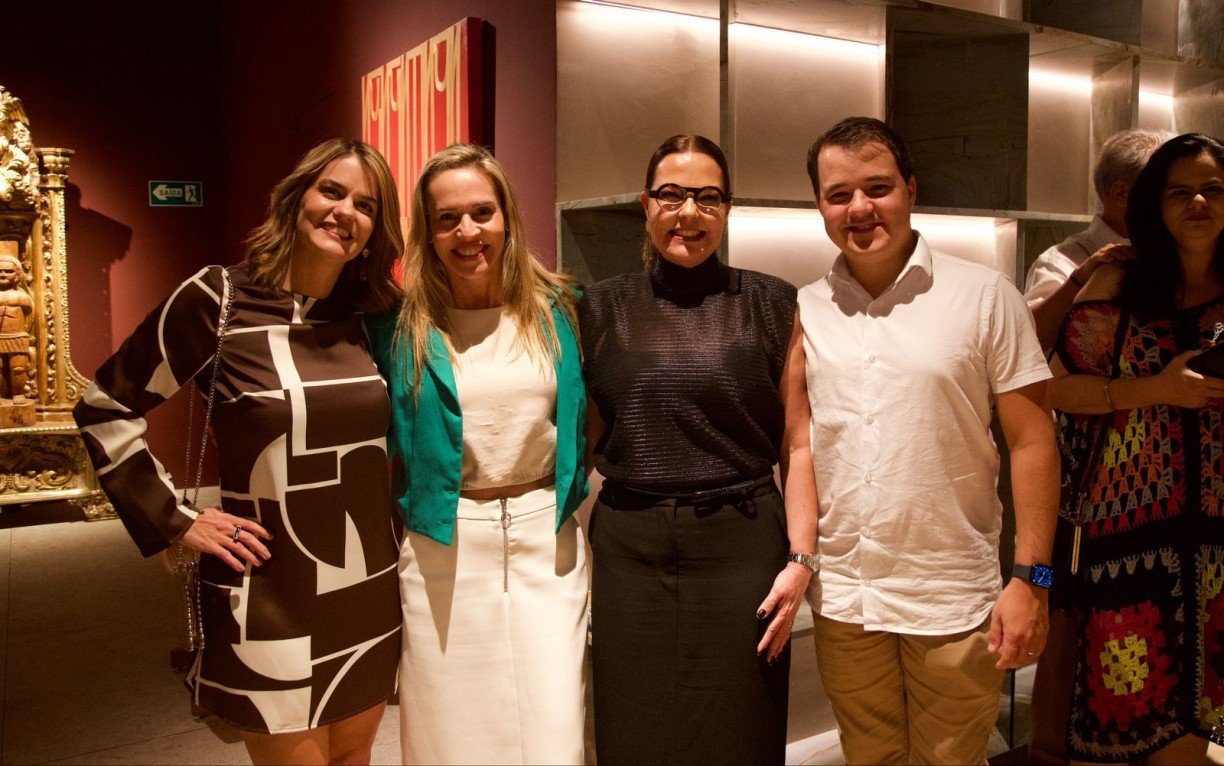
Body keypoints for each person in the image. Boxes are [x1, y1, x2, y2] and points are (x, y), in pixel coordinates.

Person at [73, 138, 404, 765]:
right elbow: (104, 407)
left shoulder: (371, 318)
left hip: (364, 584)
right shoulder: (218, 301)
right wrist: (178, 519)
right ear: (296, 196)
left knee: (353, 760)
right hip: (269, 589)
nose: (345, 212)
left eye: (366, 204)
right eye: (331, 191)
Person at [791, 117, 1059, 764]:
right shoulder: (805, 308)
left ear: (910, 188)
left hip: (952, 599)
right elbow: (800, 444)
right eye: (838, 194)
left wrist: (1033, 579)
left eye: (877, 187)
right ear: (821, 206)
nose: (859, 208)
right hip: (847, 599)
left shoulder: (986, 296)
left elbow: (1032, 443)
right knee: (869, 757)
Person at [580, 134, 815, 765]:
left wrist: (801, 557)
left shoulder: (772, 302)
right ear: (645, 203)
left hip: (742, 542)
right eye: (672, 195)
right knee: (635, 726)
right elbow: (586, 431)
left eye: (708, 198)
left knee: (741, 724)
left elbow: (798, 441)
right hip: (629, 543)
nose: (689, 213)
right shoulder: (598, 307)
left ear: (728, 208)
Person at [366, 143, 589, 765]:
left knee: (552, 725)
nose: (468, 231)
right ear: (428, 232)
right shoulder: (398, 328)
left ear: (508, 217)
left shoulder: (560, 311)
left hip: (549, 542)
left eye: (482, 212)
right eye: (447, 218)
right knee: (449, 732)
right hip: (445, 542)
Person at [1049, 132, 1224, 764]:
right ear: (1154, 202)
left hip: (1221, 530)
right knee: (1138, 714)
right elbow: (1056, 389)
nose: (1198, 202)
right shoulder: (1119, 281)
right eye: (1181, 191)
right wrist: (1158, 389)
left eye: (1213, 188)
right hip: (1129, 529)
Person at [1025, 127, 1170, 766]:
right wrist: (1086, 277)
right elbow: (1030, 369)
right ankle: (1051, 750)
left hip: (1157, 485)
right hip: (1075, 490)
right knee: (1062, 617)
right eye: (1165, 190)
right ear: (1121, 194)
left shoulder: (1181, 261)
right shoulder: (1065, 260)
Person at [1026, 128, 1172, 351]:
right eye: (1170, 189)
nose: (1185, 201)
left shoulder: (1181, 251)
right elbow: (1028, 342)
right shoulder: (1062, 260)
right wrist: (1080, 280)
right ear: (1121, 194)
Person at [0, 254, 32, 402]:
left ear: (18, 275)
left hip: (17, 336)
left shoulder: (22, 297)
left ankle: (18, 393)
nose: (3, 274)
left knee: (18, 369)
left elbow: (30, 316)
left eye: (8, 271)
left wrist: (26, 332)